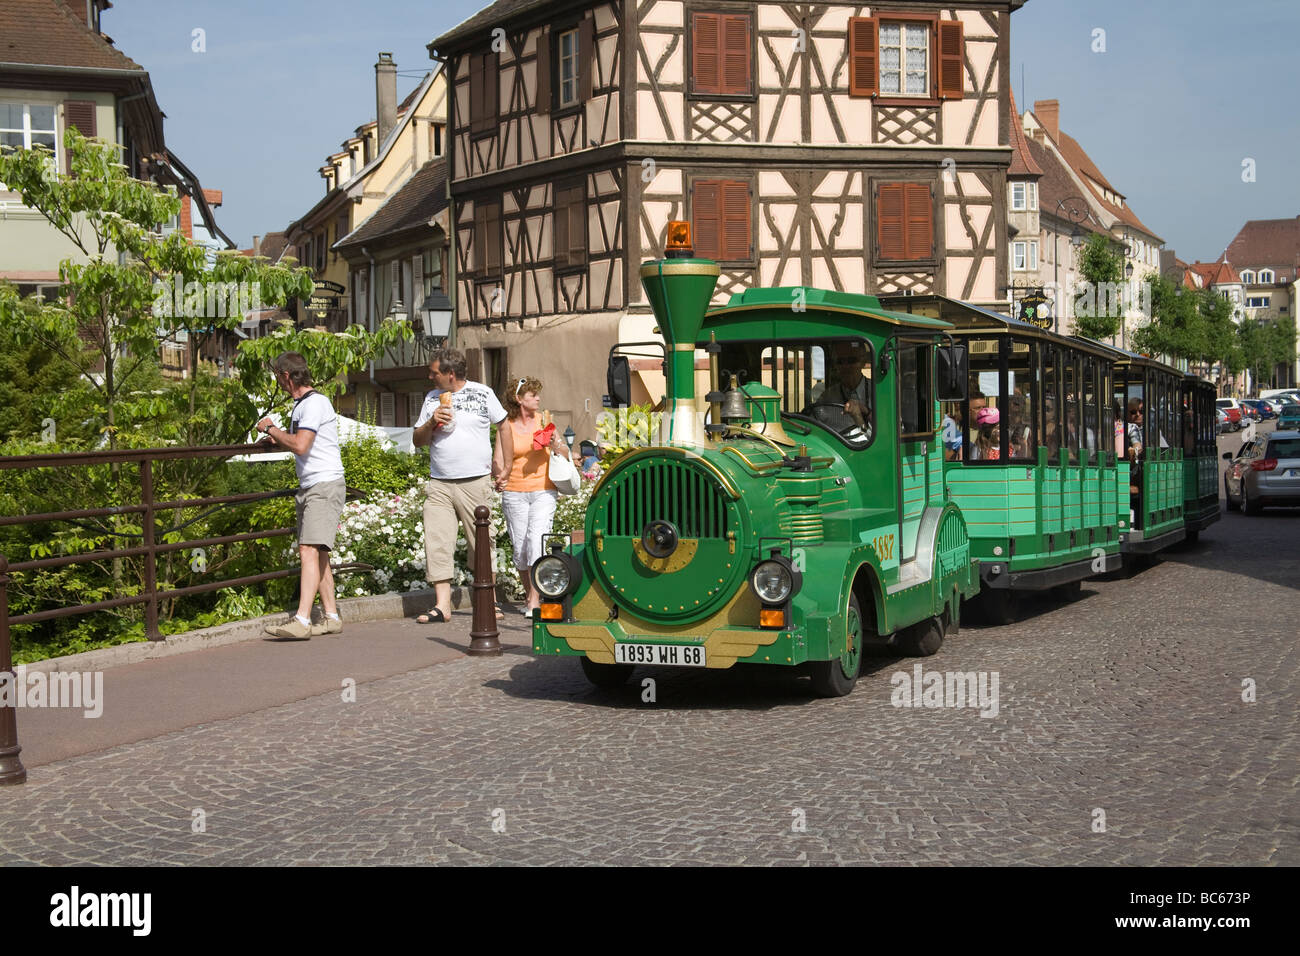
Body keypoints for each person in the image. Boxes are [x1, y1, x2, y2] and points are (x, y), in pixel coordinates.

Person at [412, 347, 507, 624]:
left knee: (481, 543)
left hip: (474, 480)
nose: (430, 376)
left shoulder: (483, 393)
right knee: (437, 541)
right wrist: (431, 422)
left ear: (450, 374)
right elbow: (418, 440)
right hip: (439, 481)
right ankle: (442, 605)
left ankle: (487, 601)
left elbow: (503, 425)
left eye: (434, 372)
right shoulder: (431, 399)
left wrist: (504, 463)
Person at [257, 352, 345, 639]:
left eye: (277, 377)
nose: (278, 383)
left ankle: (302, 620)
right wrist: (278, 437)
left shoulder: (313, 404)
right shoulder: (305, 405)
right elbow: (300, 441)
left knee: (308, 550)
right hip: (315, 484)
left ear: (286, 376)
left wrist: (271, 428)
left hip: (322, 485)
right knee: (318, 553)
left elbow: (301, 445)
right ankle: (331, 616)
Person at [493, 376, 572, 616]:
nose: (537, 398)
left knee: (536, 541)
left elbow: (566, 452)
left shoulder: (544, 421)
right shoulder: (505, 425)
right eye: (531, 395)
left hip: (543, 489)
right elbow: (497, 460)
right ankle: (530, 593)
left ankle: (535, 599)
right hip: (514, 492)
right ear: (518, 399)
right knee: (520, 548)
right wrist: (498, 476)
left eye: (537, 394)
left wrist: (553, 443)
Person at [806, 341, 872, 441]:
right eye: (840, 362)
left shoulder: (879, 392)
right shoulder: (827, 396)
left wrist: (863, 414)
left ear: (863, 362)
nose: (845, 366)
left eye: (851, 360)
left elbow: (889, 437)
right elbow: (812, 429)